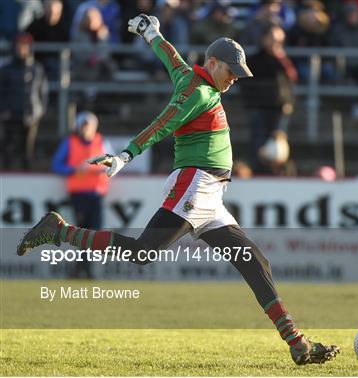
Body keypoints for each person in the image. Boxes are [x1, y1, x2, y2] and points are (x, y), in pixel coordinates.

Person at [16, 14, 340, 365]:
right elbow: (163, 123)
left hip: (210, 195)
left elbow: (171, 57)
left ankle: (296, 342)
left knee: (253, 260)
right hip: (195, 186)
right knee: (143, 253)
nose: (233, 80)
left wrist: (151, 32)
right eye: (230, 71)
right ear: (212, 63)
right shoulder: (199, 92)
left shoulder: (192, 78)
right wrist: (127, 154)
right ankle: (60, 231)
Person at [51, 111, 110, 279]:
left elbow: (112, 163)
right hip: (79, 195)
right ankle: (84, 271)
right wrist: (74, 170)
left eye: (88, 125)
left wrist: (101, 169)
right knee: (83, 234)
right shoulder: (70, 142)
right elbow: (56, 165)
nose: (85, 128)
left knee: (94, 233)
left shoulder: (101, 141)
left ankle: (81, 270)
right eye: (82, 125)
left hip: (96, 195)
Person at [240, 23, 297, 174]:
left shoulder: (282, 61)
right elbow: (246, 85)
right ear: (264, 39)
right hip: (259, 109)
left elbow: (291, 80)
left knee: (278, 149)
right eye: (273, 39)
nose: (276, 44)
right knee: (259, 147)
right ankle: (258, 174)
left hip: (279, 111)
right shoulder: (254, 61)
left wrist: (288, 102)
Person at [0, 33, 48, 170]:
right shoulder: (5, 69)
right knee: (7, 150)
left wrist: (39, 111)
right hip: (9, 117)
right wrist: (3, 110)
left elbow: (43, 93)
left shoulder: (37, 69)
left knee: (28, 152)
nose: (22, 49)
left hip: (30, 116)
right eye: (19, 46)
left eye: (25, 46)